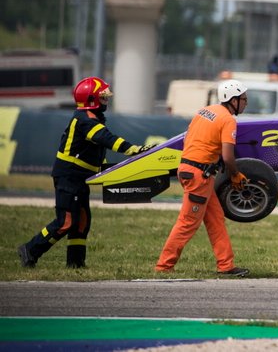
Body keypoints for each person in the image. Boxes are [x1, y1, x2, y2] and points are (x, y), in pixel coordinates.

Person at [18, 77, 146, 269]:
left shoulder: (92, 119)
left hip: (79, 178)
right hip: (69, 177)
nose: (106, 101)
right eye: (102, 97)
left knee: (82, 222)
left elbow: (95, 149)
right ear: (91, 99)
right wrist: (134, 149)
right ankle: (30, 249)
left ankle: (76, 263)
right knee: (66, 222)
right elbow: (107, 139)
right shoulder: (85, 120)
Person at [155, 79, 250, 277]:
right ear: (232, 100)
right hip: (200, 176)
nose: (246, 102)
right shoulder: (228, 119)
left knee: (215, 219)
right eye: (243, 99)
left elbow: (188, 138)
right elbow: (228, 156)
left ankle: (226, 265)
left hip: (189, 169)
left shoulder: (205, 111)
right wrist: (235, 175)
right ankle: (164, 266)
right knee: (188, 222)